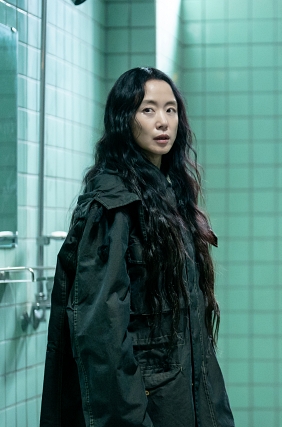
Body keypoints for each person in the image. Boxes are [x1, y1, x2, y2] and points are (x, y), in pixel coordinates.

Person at [40, 67, 235, 427]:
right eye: (148, 110)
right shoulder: (113, 205)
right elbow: (103, 333)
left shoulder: (169, 197)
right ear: (124, 120)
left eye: (170, 110)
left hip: (183, 395)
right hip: (146, 404)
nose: (163, 121)